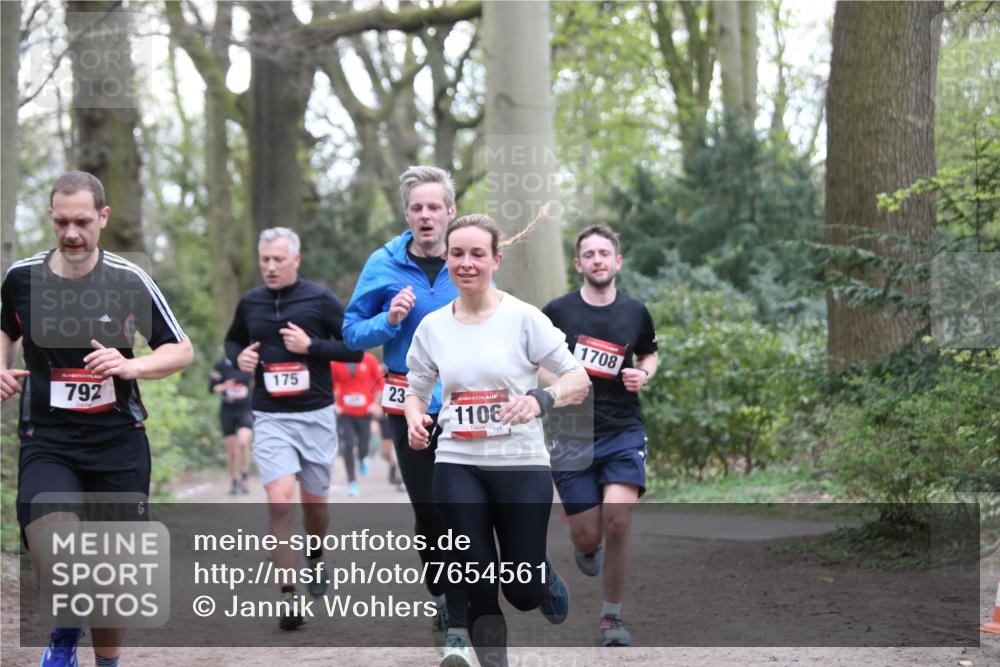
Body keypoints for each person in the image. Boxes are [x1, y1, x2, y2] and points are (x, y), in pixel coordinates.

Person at [0, 171, 194, 667]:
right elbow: (5, 329)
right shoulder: (21, 277)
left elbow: (180, 350)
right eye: (62, 222)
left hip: (117, 441)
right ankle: (67, 625)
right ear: (50, 217)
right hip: (49, 438)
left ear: (102, 218)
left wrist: (132, 365)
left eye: (82, 222)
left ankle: (106, 660)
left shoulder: (128, 280)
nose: (71, 233)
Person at [405, 214, 591, 667]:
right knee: (476, 582)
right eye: (457, 254)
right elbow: (415, 387)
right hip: (456, 461)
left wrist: (541, 399)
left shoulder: (524, 318)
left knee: (522, 592)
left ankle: (540, 579)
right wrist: (414, 418)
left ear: (496, 260)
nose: (466, 263)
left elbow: (578, 378)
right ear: (446, 258)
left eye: (477, 254)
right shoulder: (432, 326)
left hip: (520, 462)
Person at [342, 165, 470, 663]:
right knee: (431, 513)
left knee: (463, 509)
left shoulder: (467, 259)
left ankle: (458, 620)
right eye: (417, 207)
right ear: (407, 213)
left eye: (434, 206)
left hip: (465, 407)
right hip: (407, 406)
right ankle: (443, 597)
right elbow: (351, 334)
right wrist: (388, 318)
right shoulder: (384, 263)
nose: (425, 215)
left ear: (450, 212)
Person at [224, 226, 362, 629]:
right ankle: (288, 596)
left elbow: (354, 347)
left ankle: (316, 555)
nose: (270, 267)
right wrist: (240, 360)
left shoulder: (319, 300)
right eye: (264, 259)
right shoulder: (250, 303)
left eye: (278, 260)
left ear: (295, 260)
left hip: (316, 415)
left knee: (315, 510)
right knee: (280, 501)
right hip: (270, 417)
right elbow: (231, 343)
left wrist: (311, 348)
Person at [541, 224, 659, 647]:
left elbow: (650, 353)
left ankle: (612, 620)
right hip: (572, 431)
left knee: (618, 520)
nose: (597, 259)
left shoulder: (635, 311)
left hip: (623, 428)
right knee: (589, 534)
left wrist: (641, 374)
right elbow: (534, 359)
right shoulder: (556, 311)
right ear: (579, 264)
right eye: (588, 254)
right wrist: (564, 381)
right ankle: (585, 546)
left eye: (604, 253)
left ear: (617, 261)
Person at [330, 351, 382, 497]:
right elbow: (330, 384)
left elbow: (380, 382)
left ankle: (362, 458)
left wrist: (375, 405)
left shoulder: (369, 359)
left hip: (365, 411)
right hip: (345, 412)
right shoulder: (336, 361)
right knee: (348, 444)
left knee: (364, 446)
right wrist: (335, 405)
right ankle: (352, 482)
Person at [209, 356, 253, 495]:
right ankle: (234, 480)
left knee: (243, 442)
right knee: (232, 449)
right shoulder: (220, 365)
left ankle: (244, 476)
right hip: (228, 412)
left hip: (245, 410)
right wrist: (224, 386)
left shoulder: (249, 361)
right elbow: (211, 388)